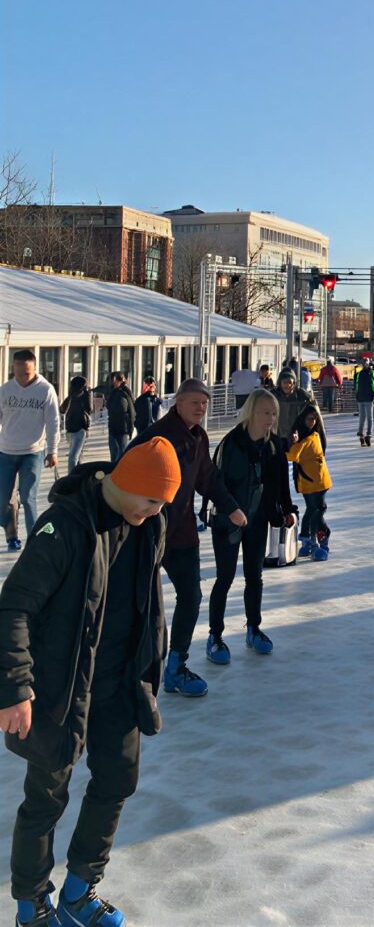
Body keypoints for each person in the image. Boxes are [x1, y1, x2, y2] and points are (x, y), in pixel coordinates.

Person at [0, 437, 179, 927]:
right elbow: (14, 606)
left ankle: (79, 891)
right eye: (152, 499)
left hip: (120, 684)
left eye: (164, 502)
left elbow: (147, 604)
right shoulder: (64, 527)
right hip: (58, 690)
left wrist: (150, 669)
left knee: (118, 780)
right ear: (127, 484)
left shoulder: (150, 524)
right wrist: (17, 687)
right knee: (46, 800)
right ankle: (30, 907)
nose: (157, 510)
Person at [130, 379, 232, 700]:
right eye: (194, 403)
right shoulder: (157, 436)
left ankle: (175, 666)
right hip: (147, 532)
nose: (200, 409)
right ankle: (131, 669)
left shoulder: (199, 437)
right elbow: (127, 469)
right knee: (140, 603)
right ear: (178, 402)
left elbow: (208, 479)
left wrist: (231, 507)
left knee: (191, 596)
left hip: (183, 533)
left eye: (204, 403)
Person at [207, 388, 295, 665]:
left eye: (273, 413)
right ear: (251, 412)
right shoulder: (231, 444)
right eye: (265, 412)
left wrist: (287, 510)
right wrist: (230, 510)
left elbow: (281, 483)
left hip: (257, 519)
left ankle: (253, 628)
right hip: (228, 521)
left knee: (254, 577)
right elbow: (215, 483)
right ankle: (215, 636)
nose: (270, 418)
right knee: (224, 578)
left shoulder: (274, 446)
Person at [0, 352, 59, 555]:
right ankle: (12, 536)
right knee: (3, 501)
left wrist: (52, 450)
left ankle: (35, 540)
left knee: (28, 497)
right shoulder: (6, 390)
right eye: (17, 372)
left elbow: (53, 423)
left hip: (32, 452)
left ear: (34, 369)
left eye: (26, 373)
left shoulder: (45, 390)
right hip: (6, 451)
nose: (21, 378)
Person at [286, 402, 332, 561]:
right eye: (309, 419)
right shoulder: (302, 439)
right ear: (302, 419)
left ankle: (312, 538)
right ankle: (313, 538)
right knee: (315, 510)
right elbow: (291, 456)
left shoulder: (316, 435)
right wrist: (293, 442)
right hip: (307, 482)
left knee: (316, 510)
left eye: (314, 419)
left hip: (320, 482)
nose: (312, 422)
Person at [96, 373, 134, 466]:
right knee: (115, 453)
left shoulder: (123, 393)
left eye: (115, 381)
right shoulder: (114, 392)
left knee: (121, 453)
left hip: (121, 428)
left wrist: (130, 428)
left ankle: (119, 471)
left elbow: (129, 410)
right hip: (114, 427)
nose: (114, 383)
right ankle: (114, 471)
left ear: (118, 381)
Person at [58, 378, 91, 477]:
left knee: (74, 456)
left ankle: (74, 477)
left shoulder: (75, 395)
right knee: (75, 457)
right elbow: (89, 409)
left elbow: (62, 410)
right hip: (76, 429)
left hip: (76, 430)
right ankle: (75, 477)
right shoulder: (82, 395)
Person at [352, 360, 374, 446]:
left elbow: (356, 386)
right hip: (368, 398)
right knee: (370, 418)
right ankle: (368, 434)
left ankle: (361, 433)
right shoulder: (372, 373)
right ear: (369, 365)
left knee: (362, 417)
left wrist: (357, 395)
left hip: (360, 398)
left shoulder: (359, 374)